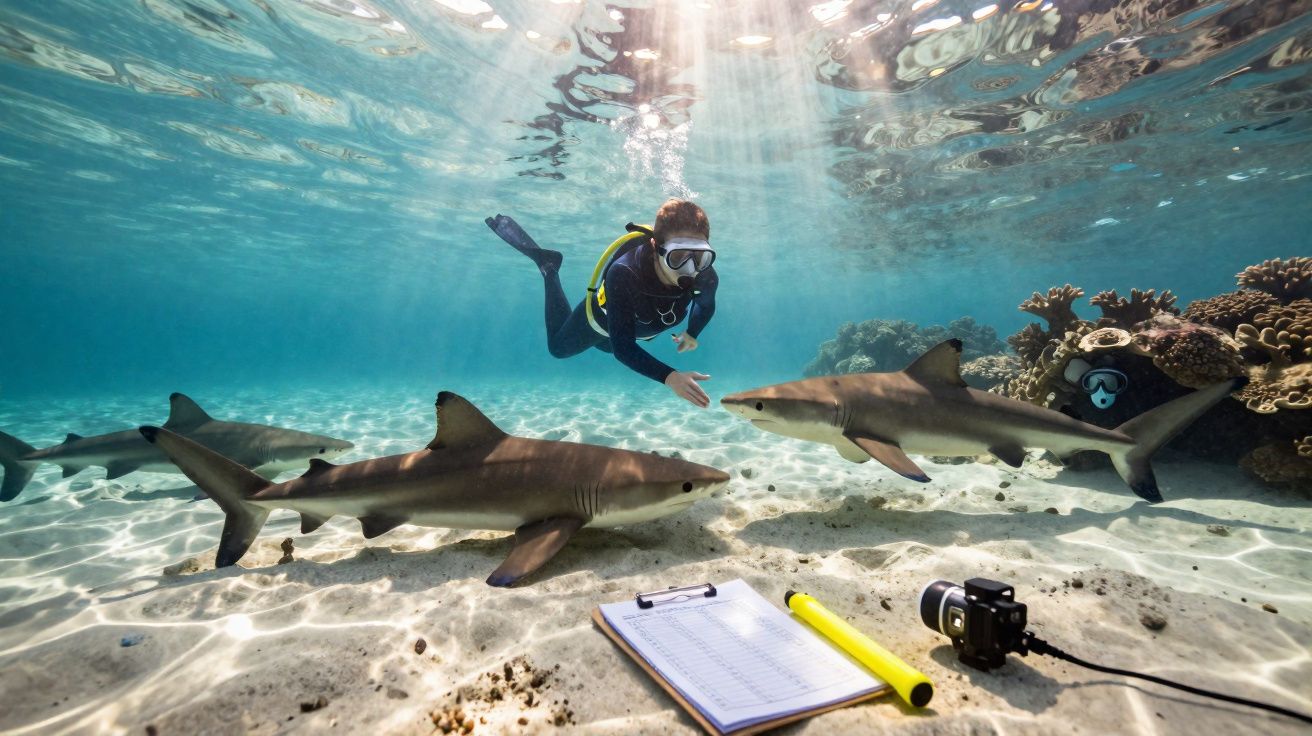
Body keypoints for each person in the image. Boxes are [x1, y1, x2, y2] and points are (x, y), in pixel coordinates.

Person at [487, 199, 719, 408]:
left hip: (631, 332)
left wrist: (692, 333)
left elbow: (705, 305)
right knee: (558, 349)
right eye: (678, 257)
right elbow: (624, 348)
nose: (691, 269)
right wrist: (671, 377)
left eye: (700, 256)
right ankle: (549, 268)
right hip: (598, 323)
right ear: (655, 247)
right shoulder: (624, 273)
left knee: (607, 347)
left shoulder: (705, 276)